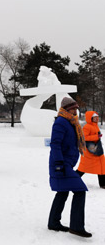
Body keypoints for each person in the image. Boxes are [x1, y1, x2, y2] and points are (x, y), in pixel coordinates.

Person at [48, 97, 92, 238]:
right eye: (73, 109)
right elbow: (55, 144)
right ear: (66, 109)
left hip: (66, 164)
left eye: (76, 109)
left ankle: (53, 222)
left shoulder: (71, 122)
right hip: (61, 164)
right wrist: (59, 164)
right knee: (80, 190)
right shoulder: (61, 122)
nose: (75, 111)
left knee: (63, 191)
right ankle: (77, 227)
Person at [76, 111, 105, 188]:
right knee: (83, 168)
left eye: (97, 117)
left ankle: (103, 184)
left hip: (96, 150)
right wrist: (96, 137)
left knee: (102, 166)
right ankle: (73, 179)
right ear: (90, 118)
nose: (96, 119)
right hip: (89, 152)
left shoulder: (95, 126)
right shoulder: (87, 126)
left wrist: (97, 137)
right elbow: (84, 137)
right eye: (94, 117)